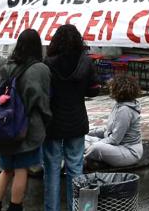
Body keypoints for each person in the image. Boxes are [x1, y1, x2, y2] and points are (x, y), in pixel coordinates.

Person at [0, 29, 51, 211]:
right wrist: (46, 120)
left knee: (6, 170)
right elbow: (42, 101)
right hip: (26, 130)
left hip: (4, 127)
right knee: (21, 169)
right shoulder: (40, 69)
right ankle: (15, 207)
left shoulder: (7, 66)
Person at [42, 24, 100, 211]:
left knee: (51, 169)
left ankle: (52, 208)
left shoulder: (47, 63)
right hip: (76, 121)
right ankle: (76, 208)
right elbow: (94, 90)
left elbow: (45, 93)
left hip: (53, 123)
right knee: (76, 167)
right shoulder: (86, 62)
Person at [85, 74, 143, 167]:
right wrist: (88, 133)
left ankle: (82, 160)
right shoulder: (118, 105)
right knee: (82, 139)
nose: (110, 89)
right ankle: (89, 157)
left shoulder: (125, 110)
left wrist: (96, 142)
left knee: (96, 147)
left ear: (120, 90)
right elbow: (107, 130)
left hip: (129, 151)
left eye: (112, 87)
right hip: (115, 145)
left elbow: (115, 139)